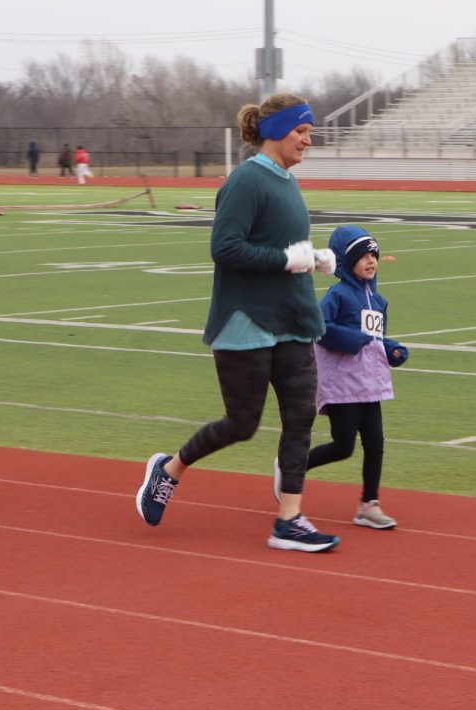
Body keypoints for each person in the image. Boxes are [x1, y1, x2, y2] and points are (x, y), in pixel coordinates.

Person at [135, 92, 340, 553]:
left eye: (309, 131)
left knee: (301, 417)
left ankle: (289, 520)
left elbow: (285, 248)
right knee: (241, 423)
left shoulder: (287, 181)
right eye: (301, 130)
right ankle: (169, 470)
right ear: (274, 132)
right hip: (246, 322)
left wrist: (314, 258)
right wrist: (286, 259)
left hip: (293, 319)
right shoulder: (247, 181)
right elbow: (225, 248)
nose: (309, 139)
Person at [299, 225, 408, 529]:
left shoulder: (379, 301)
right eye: (363, 256)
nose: (371, 261)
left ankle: (368, 505)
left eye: (374, 254)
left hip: (371, 385)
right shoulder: (337, 294)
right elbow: (317, 327)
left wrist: (392, 349)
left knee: (375, 443)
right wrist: (349, 339)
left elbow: (373, 339)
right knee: (343, 446)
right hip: (343, 385)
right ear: (346, 262)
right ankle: (293, 466)